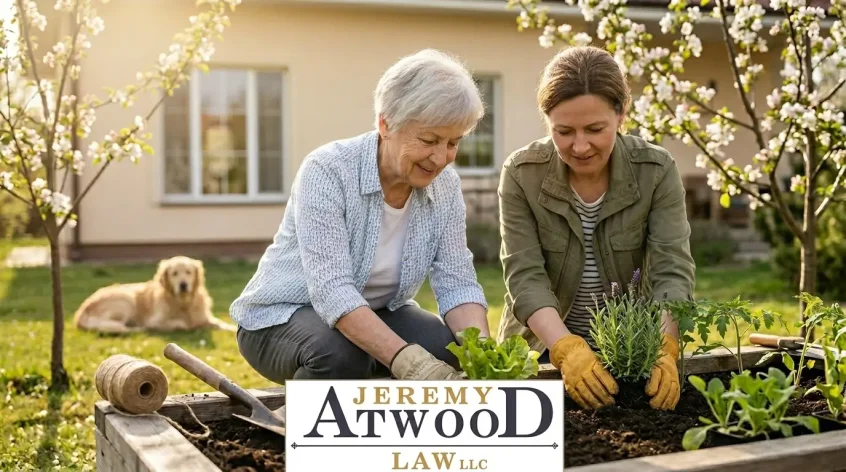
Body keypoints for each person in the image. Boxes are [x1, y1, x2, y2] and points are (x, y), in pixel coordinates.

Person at [230, 49, 490, 384]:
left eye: (453, 143)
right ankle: (305, 430)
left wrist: (482, 353)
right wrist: (407, 362)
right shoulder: (328, 170)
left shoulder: (445, 187)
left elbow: (458, 281)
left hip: (379, 312)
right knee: (340, 354)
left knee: (447, 349)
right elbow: (332, 290)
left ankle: (397, 431)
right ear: (386, 124)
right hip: (281, 316)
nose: (440, 158)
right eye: (429, 140)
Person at [495, 46, 695, 411]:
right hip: (539, 352)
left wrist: (665, 348)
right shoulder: (521, 174)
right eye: (564, 131)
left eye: (595, 129)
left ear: (621, 115)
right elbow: (524, 277)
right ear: (547, 121)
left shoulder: (655, 170)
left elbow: (672, 270)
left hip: (631, 355)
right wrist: (566, 349)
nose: (580, 145)